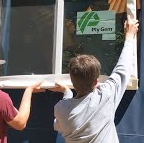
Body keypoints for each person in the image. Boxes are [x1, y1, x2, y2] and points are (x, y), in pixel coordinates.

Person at [49, 15, 139, 143]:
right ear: (96, 82)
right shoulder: (105, 96)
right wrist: (129, 36)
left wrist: (67, 92)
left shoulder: (60, 109)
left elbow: (64, 116)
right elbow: (122, 68)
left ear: (72, 81)